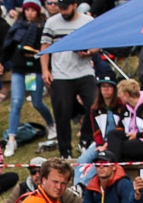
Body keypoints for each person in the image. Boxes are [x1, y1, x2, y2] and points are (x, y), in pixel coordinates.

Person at [0, 0, 54, 158]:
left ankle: (51, 125)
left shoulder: (42, 27)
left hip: (34, 69)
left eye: (32, 10)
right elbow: (9, 47)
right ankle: (12, 138)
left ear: (38, 12)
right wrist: (1, 61)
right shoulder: (17, 26)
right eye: (27, 10)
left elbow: (46, 47)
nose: (29, 13)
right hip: (19, 68)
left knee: (37, 102)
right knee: (16, 102)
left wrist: (35, 51)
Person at [40, 0, 96, 160]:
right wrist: (45, 70)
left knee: (93, 105)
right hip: (61, 73)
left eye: (66, 8)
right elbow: (44, 48)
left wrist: (89, 52)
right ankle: (65, 151)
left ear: (75, 5)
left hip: (84, 71)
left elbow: (98, 45)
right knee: (61, 112)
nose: (63, 11)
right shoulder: (51, 22)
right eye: (60, 8)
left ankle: (85, 140)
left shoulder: (87, 22)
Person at [73, 74, 124, 189]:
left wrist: (107, 145)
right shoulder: (95, 108)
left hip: (115, 142)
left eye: (109, 86)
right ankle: (76, 187)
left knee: (99, 162)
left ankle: (82, 185)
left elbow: (122, 126)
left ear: (114, 89)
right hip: (100, 142)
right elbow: (95, 130)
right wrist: (101, 144)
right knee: (82, 160)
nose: (106, 89)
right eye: (103, 86)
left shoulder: (121, 105)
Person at [1, 155, 82, 203]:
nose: (37, 175)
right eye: (33, 172)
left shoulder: (59, 188)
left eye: (39, 171)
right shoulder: (21, 188)